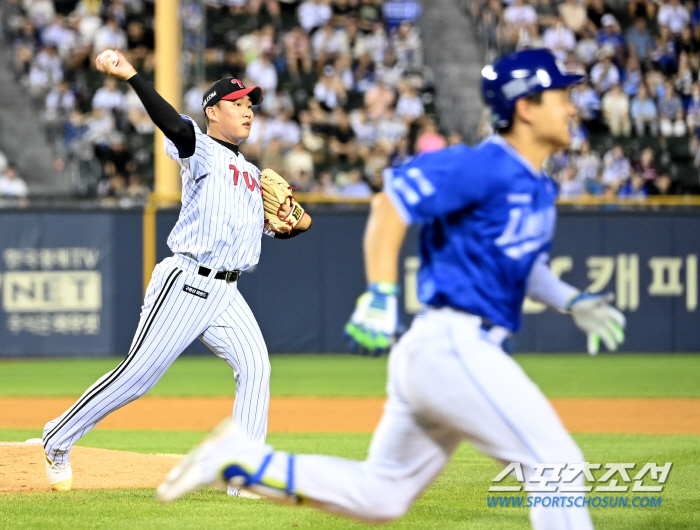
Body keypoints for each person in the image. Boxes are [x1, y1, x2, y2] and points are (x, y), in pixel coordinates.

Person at [155, 49, 626, 529]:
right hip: (454, 345)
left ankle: (243, 462)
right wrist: (380, 295)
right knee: (557, 466)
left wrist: (573, 300)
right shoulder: (482, 166)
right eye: (559, 96)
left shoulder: (539, 187)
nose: (571, 107)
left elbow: (526, 267)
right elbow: (389, 204)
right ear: (525, 107)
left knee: (381, 495)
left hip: (449, 353)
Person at [42, 50, 313, 493]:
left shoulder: (251, 173)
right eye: (238, 104)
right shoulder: (200, 148)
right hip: (186, 281)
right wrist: (130, 74)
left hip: (229, 290)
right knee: (137, 377)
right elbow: (172, 124)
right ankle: (57, 437)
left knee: (256, 367)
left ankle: (243, 476)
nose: (248, 111)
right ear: (213, 111)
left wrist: (293, 220)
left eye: (251, 105)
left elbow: (281, 230)